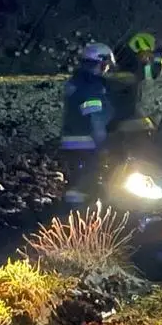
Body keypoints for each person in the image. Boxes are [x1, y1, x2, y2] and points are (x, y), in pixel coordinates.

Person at [60, 43, 116, 205]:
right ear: (100, 63)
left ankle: (70, 211)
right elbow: (94, 116)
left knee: (75, 182)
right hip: (87, 142)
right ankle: (80, 212)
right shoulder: (93, 85)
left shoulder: (75, 82)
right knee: (88, 181)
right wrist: (103, 142)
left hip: (69, 141)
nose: (106, 69)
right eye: (106, 65)